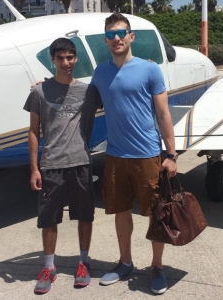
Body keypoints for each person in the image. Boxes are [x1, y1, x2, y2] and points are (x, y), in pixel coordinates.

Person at [90, 13, 178, 295]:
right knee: (120, 211)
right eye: (111, 34)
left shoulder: (150, 70)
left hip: (147, 155)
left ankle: (157, 267)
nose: (116, 38)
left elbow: (163, 114)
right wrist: (48, 86)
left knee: (156, 214)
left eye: (121, 32)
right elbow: (82, 97)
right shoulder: (100, 72)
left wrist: (171, 154)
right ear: (106, 40)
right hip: (115, 156)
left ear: (131, 36)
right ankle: (125, 262)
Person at [23, 38, 102, 294]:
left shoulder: (89, 91)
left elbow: (117, 90)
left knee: (85, 215)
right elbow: (33, 131)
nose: (66, 62)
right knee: (49, 219)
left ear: (76, 58)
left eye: (70, 57)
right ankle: (49, 267)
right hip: (51, 164)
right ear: (52, 60)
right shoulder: (38, 92)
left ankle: (84, 263)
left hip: (81, 162)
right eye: (60, 58)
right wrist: (34, 168)